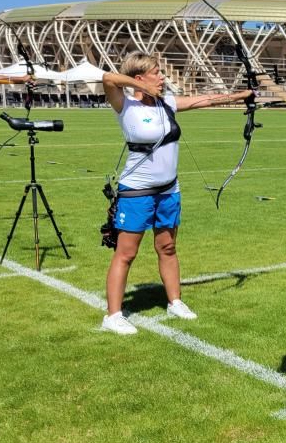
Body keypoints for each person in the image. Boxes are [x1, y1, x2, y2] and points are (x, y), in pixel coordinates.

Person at [100, 52, 253, 335]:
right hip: (137, 191)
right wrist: (143, 90)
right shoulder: (125, 105)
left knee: (168, 247)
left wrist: (243, 94)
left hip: (169, 190)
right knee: (126, 253)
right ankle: (113, 315)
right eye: (156, 73)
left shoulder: (167, 103)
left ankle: (175, 301)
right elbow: (108, 78)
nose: (162, 78)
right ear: (139, 79)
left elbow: (204, 100)